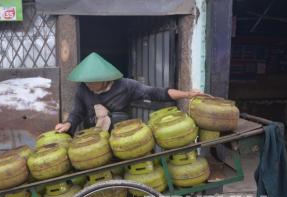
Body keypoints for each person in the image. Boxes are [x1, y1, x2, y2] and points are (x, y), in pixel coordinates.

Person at [55, 52, 205, 135]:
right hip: (95, 138)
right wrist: (68, 124)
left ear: (105, 78)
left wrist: (186, 94)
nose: (88, 85)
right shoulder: (83, 90)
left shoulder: (126, 86)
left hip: (123, 135)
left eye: (92, 82)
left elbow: (157, 93)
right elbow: (77, 112)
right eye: (86, 82)